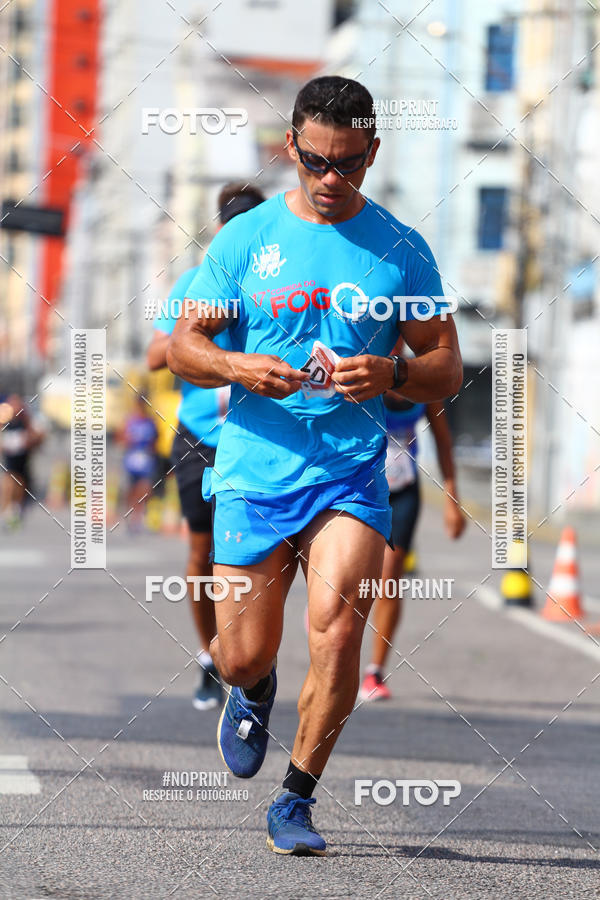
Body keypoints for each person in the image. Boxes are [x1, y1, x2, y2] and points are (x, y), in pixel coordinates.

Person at [168, 75, 462, 856]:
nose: (332, 179)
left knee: (336, 634)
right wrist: (237, 367)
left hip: (351, 470)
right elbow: (183, 348)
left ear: (373, 152)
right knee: (241, 654)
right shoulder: (245, 239)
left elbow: (446, 366)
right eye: (317, 161)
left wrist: (394, 373)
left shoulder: (401, 249)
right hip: (254, 468)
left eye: (350, 163)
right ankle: (253, 686)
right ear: (291, 148)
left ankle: (296, 799)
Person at [147, 182, 266, 710]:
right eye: (232, 226)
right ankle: (211, 655)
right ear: (219, 229)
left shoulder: (275, 283)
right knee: (201, 552)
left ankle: (252, 659)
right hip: (200, 438)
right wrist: (197, 336)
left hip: (258, 437)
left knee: (255, 555)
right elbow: (157, 355)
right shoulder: (195, 282)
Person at [360, 340, 467, 701]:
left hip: (404, 491)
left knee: (390, 578)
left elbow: (443, 442)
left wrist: (452, 501)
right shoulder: (361, 372)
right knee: (351, 575)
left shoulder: (420, 381)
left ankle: (374, 672)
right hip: (360, 490)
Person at [0, 393, 44, 529]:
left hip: (23, 462)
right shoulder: (5, 421)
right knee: (9, 483)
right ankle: (6, 512)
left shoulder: (26, 421)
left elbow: (38, 437)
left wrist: (29, 440)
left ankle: (15, 512)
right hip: (10, 463)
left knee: (20, 486)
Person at [120, 396, 158, 533]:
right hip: (132, 461)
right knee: (131, 490)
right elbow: (122, 438)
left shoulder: (150, 422)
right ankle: (129, 516)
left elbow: (155, 440)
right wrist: (129, 440)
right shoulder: (130, 421)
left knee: (144, 490)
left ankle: (139, 517)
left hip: (146, 461)